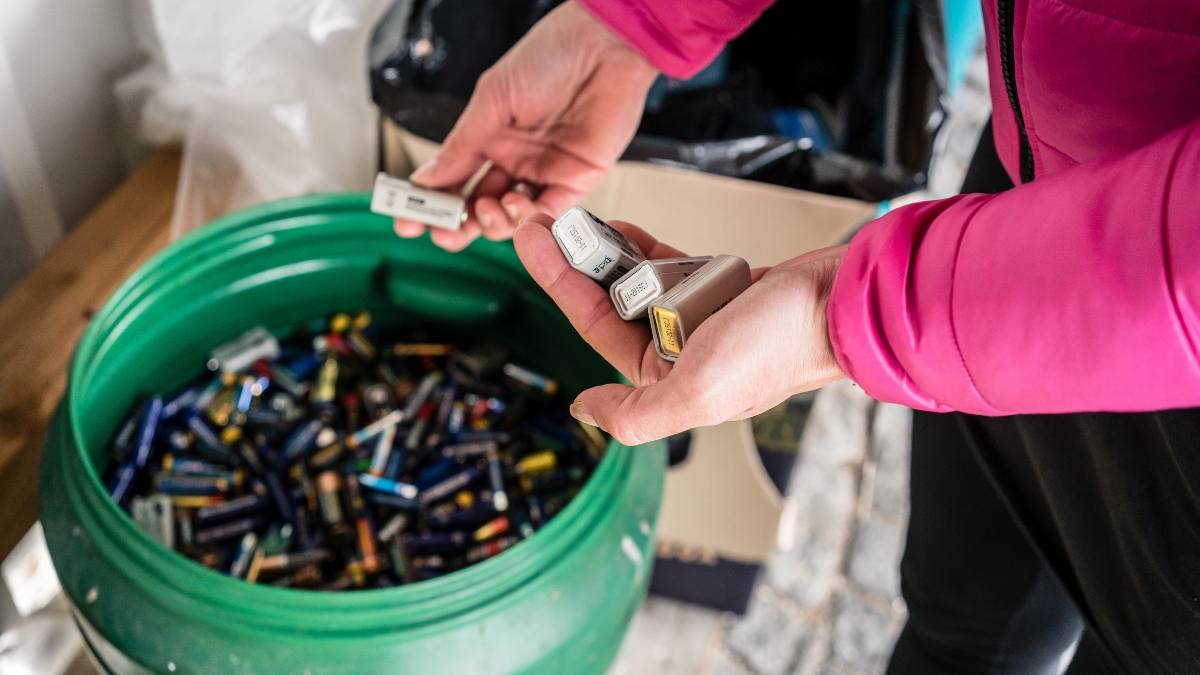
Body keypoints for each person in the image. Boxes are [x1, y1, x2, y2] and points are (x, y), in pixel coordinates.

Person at [392, 1, 1200, 673]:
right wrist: (637, 23)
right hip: (1024, 212)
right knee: (960, 622)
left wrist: (842, 311)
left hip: (1162, 401)